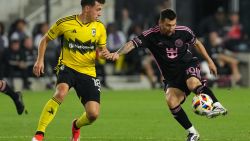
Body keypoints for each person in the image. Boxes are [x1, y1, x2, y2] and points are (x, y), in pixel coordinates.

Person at [103, 9, 228, 141]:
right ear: (160, 23)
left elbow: (197, 43)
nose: (172, 28)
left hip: (187, 65)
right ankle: (193, 133)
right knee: (171, 100)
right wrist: (117, 53)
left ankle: (217, 105)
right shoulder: (151, 35)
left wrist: (210, 61)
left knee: (192, 83)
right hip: (171, 77)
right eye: (168, 25)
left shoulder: (184, 31)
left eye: (174, 24)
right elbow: (131, 44)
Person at [31, 0, 111, 141]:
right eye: (98, 9)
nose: (100, 13)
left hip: (88, 72)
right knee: (60, 93)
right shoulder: (65, 23)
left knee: (93, 114)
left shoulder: (100, 28)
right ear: (87, 8)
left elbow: (101, 51)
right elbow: (45, 40)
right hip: (67, 67)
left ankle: (76, 126)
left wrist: (104, 55)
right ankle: (39, 134)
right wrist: (39, 60)